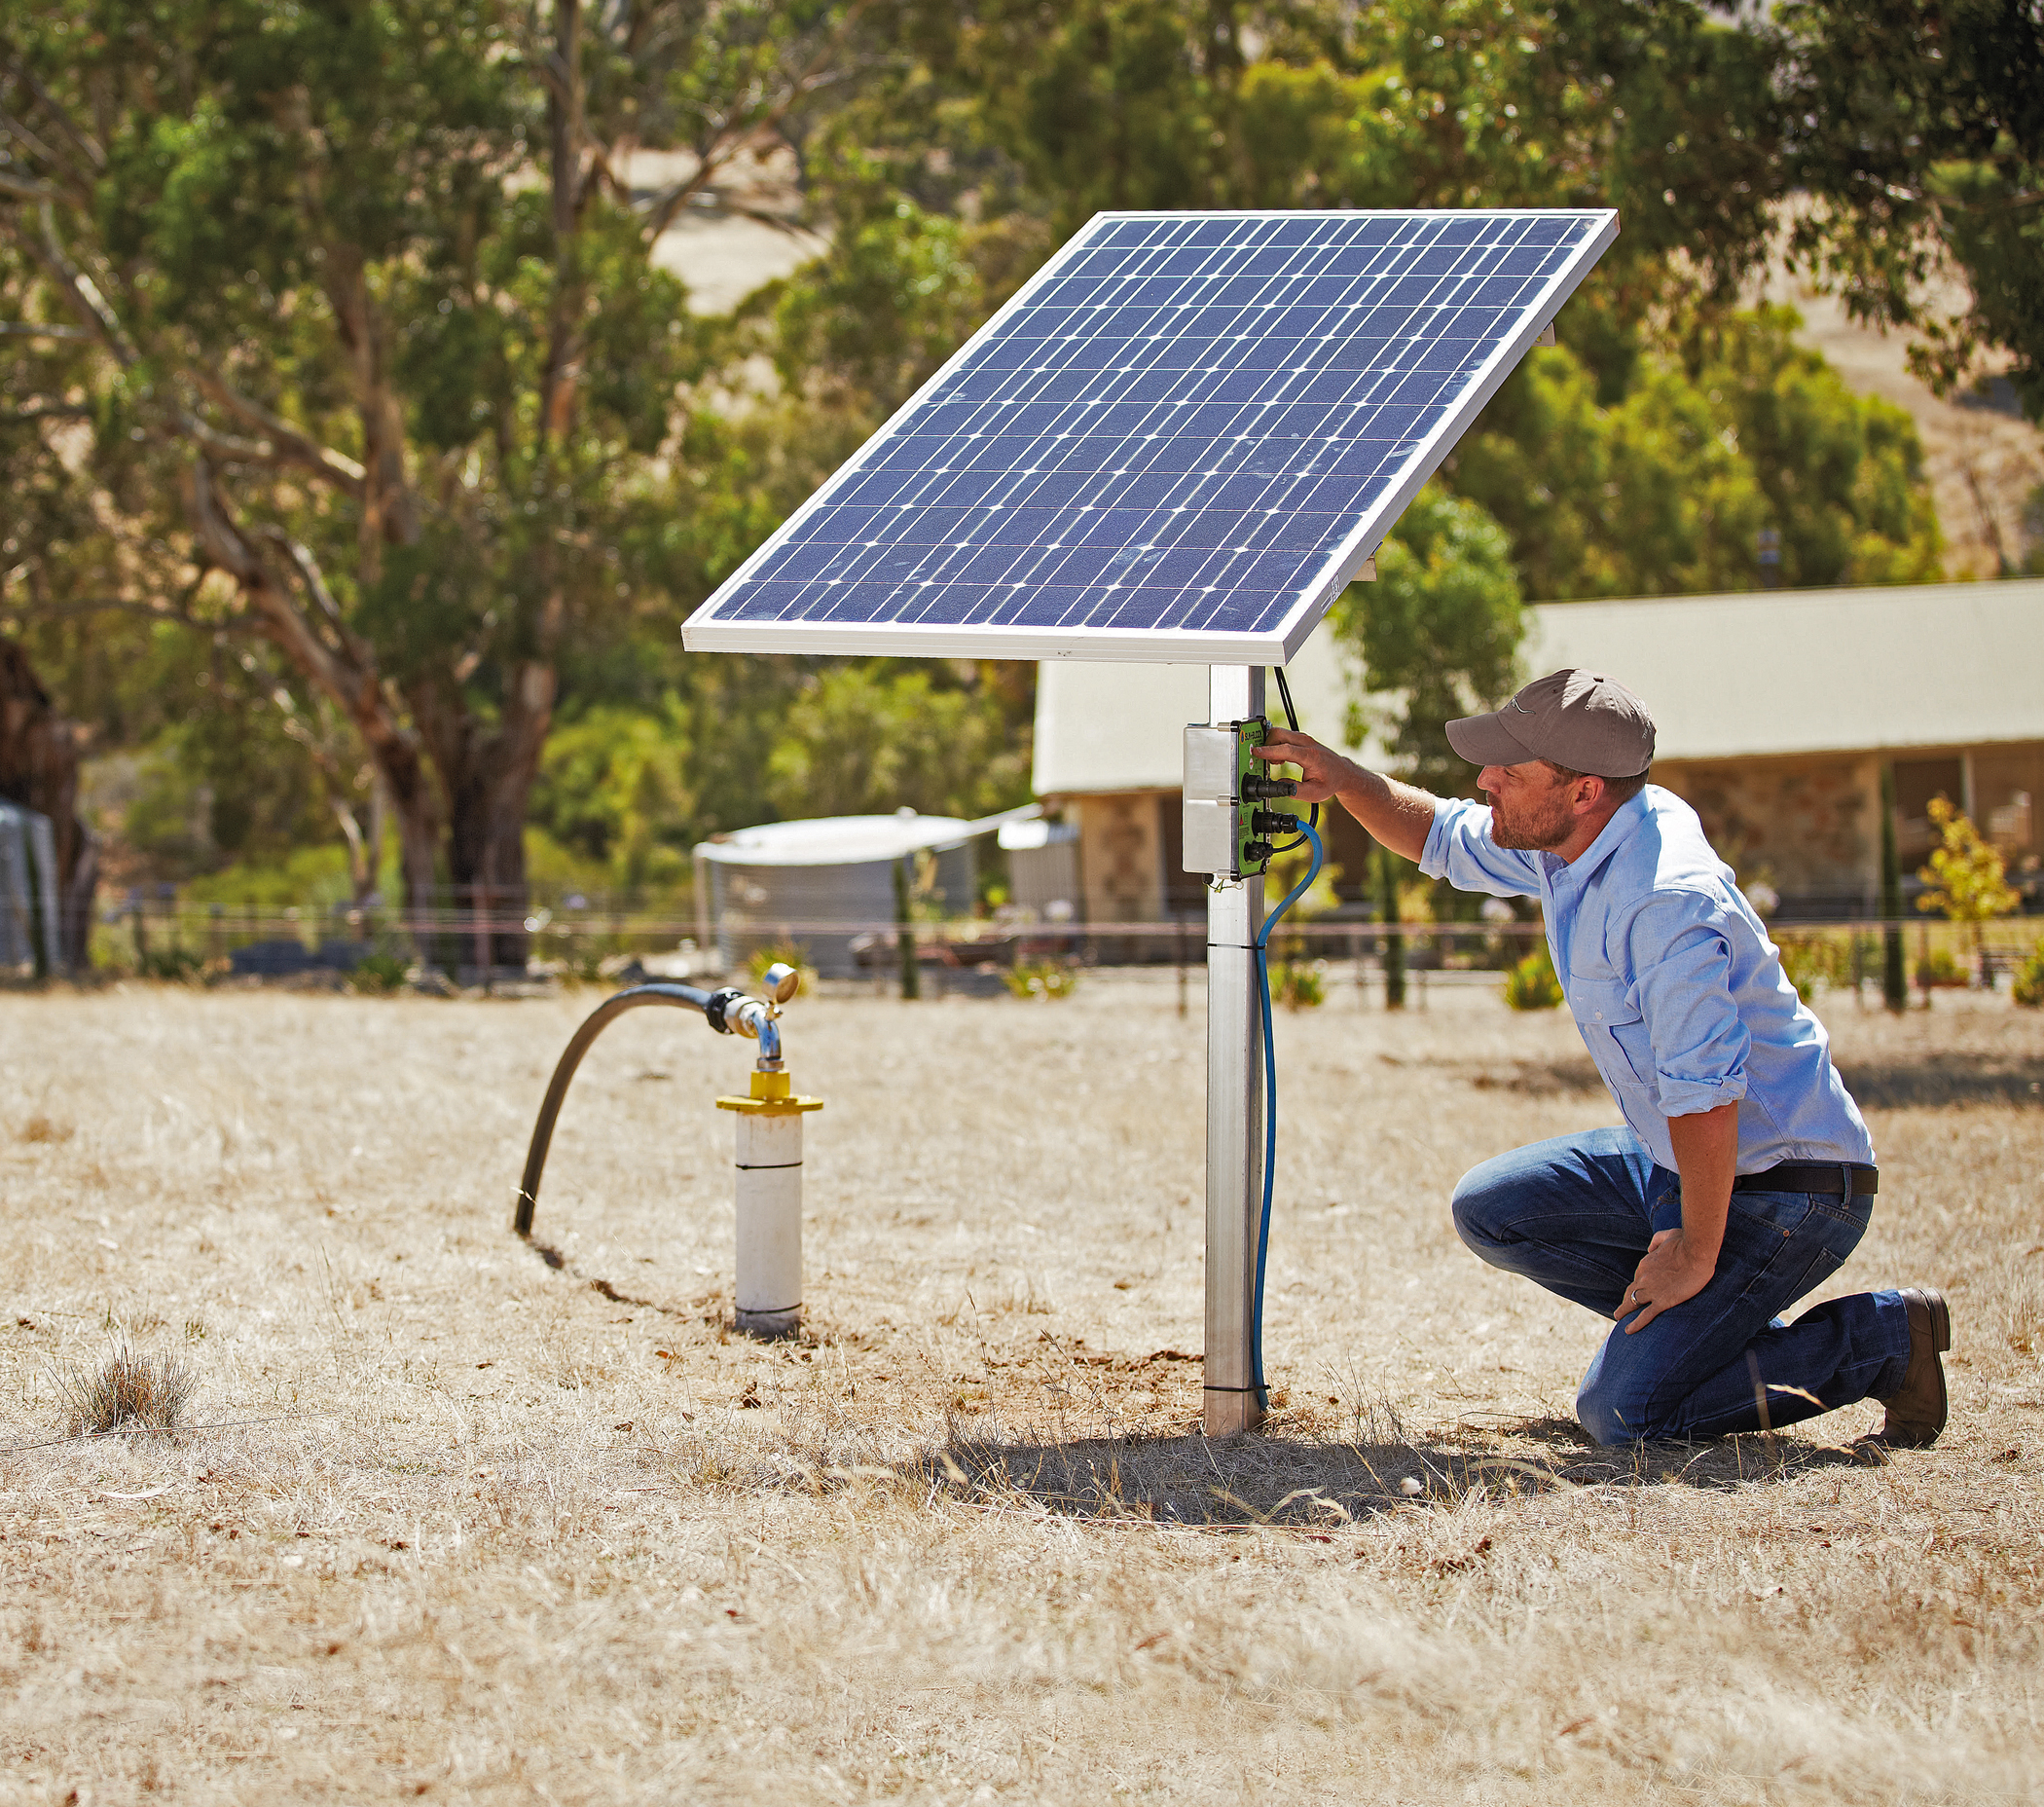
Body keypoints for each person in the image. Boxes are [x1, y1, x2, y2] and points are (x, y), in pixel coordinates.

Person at [1254, 668, 1951, 1448]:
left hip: (1788, 1189)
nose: (1485, 782)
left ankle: (1885, 1340)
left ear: (1583, 791)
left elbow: (1706, 1092)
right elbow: (1441, 835)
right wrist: (1345, 777)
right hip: (1681, 1159)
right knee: (1493, 1208)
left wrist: (1693, 1249)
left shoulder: (1663, 902)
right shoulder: (1576, 837)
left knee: (1625, 1416)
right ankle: (1716, 1332)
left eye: (1508, 774)